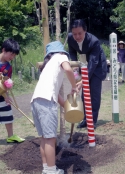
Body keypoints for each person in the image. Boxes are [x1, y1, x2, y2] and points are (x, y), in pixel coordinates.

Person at [30, 41, 79, 174]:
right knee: (51, 138)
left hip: (35, 102)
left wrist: (68, 107)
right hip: (46, 103)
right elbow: (68, 69)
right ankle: (52, 171)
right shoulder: (60, 56)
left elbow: (56, 95)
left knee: (45, 138)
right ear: (62, 52)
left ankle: (46, 168)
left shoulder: (48, 67)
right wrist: (74, 87)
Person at [67, 19, 107, 129]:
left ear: (85, 31)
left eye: (80, 33)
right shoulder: (70, 38)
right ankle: (86, 119)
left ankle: (92, 121)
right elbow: (72, 52)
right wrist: (76, 70)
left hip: (97, 66)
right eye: (74, 34)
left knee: (94, 94)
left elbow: (93, 62)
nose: (77, 36)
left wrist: (83, 81)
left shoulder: (94, 41)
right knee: (85, 94)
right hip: (83, 65)